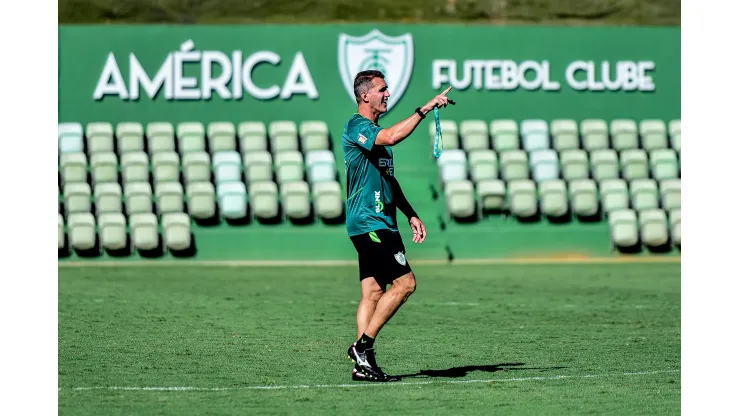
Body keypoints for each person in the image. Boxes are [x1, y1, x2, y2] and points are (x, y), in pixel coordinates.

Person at [341, 69, 453, 382]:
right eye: (382, 89)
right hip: (369, 221)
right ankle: (363, 347)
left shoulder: (378, 139)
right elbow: (392, 135)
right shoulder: (357, 126)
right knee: (406, 284)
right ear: (365, 95)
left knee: (373, 291)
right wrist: (426, 108)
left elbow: (389, 181)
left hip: (381, 221)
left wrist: (410, 213)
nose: (388, 94)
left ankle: (363, 366)